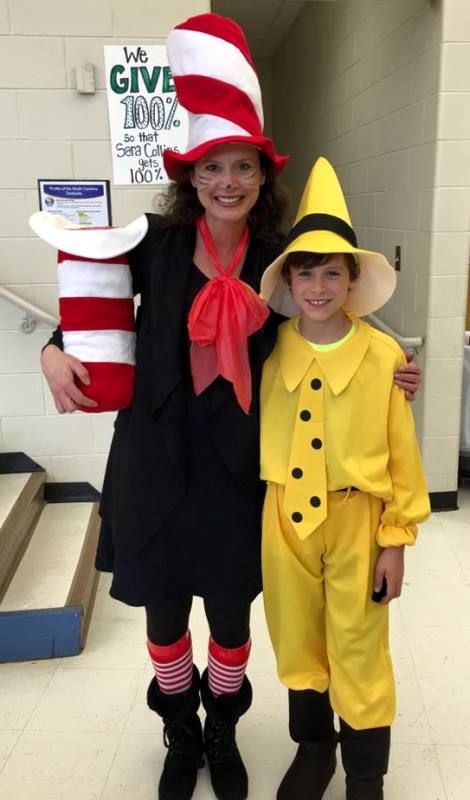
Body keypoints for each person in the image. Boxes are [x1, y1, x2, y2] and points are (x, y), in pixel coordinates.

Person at [38, 14, 422, 800]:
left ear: (261, 177)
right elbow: (88, 299)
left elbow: (332, 324)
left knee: (231, 611)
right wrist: (52, 349)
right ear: (190, 177)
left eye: (242, 167)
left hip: (241, 463)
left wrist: (390, 370)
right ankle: (181, 732)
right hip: (153, 454)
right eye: (212, 167)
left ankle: (224, 729)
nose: (227, 182)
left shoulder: (280, 256)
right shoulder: (154, 243)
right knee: (163, 611)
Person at [259, 156, 431, 800]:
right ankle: (314, 752)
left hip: (359, 519)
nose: (319, 286)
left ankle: (365, 775)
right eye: (306, 272)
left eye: (333, 272)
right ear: (289, 279)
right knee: (297, 638)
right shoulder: (269, 348)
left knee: (359, 644)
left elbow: (402, 455)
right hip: (285, 521)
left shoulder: (384, 356)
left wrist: (396, 540)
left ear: (353, 278)